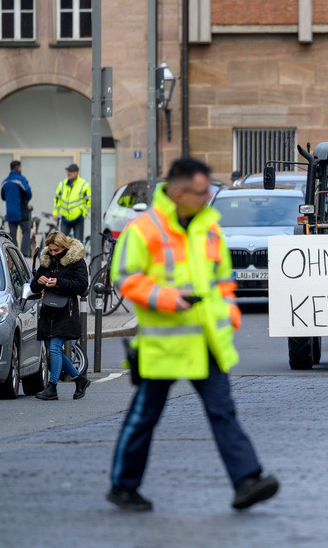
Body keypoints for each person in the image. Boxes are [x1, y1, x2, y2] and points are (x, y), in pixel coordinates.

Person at [107, 158, 279, 512]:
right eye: (202, 193)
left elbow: (222, 281)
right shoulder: (145, 228)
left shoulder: (210, 227)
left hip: (206, 340)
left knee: (223, 411)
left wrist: (230, 312)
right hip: (164, 344)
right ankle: (123, 487)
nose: (207, 198)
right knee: (144, 417)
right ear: (179, 192)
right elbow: (124, 277)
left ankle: (247, 480)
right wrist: (169, 298)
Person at [32, 231, 91, 401]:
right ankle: (80, 380)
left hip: (66, 311)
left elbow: (81, 286)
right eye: (50, 250)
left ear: (64, 247)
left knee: (55, 348)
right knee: (54, 350)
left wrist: (58, 283)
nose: (52, 254)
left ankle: (52, 387)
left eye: (56, 251)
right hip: (48, 311)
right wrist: (39, 281)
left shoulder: (76, 261)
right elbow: (34, 286)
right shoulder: (46, 260)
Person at [0, 160, 33, 255]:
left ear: (10, 168)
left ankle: (14, 255)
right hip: (21, 210)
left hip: (10, 212)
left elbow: (3, 197)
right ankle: (24, 254)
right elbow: (29, 193)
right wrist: (26, 201)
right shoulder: (21, 179)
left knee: (12, 235)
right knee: (26, 231)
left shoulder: (5, 181)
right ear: (19, 168)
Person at [54, 164, 91, 242]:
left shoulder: (84, 184)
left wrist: (84, 213)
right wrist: (55, 213)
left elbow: (89, 201)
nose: (68, 173)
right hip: (65, 218)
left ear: (77, 173)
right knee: (62, 242)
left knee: (78, 243)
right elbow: (57, 198)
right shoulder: (63, 184)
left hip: (78, 218)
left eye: (71, 171)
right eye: (68, 171)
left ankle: (78, 255)